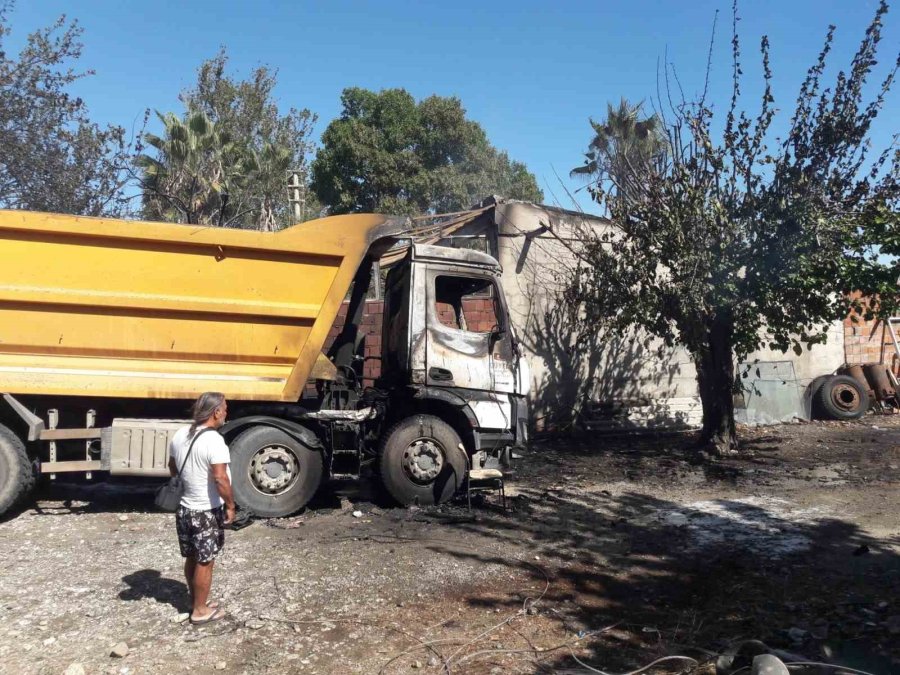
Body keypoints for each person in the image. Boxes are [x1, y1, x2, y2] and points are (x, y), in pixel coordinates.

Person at [168, 391, 235, 624]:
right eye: (225, 408)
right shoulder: (214, 440)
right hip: (205, 511)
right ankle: (199, 611)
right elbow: (220, 478)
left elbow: (172, 466)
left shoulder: (180, 434)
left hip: (185, 508)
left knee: (192, 557)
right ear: (216, 412)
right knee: (205, 561)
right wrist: (230, 505)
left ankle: (196, 600)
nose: (226, 412)